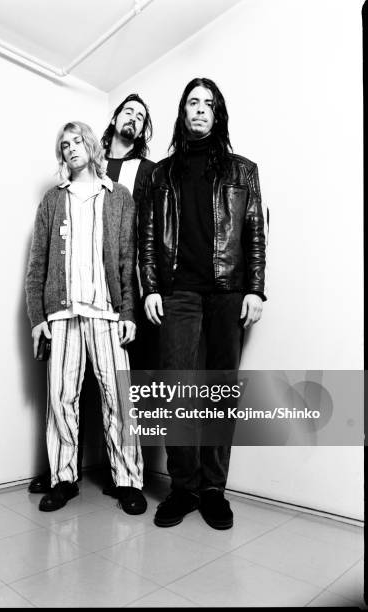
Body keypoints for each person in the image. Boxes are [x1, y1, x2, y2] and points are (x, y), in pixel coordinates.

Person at [139, 77, 267, 529]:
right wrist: (150, 286)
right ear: (182, 112)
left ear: (217, 115)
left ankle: (213, 488)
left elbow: (254, 230)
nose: (199, 110)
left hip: (228, 290)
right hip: (178, 291)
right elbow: (149, 237)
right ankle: (183, 488)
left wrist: (255, 287)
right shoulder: (161, 174)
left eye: (207, 104)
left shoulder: (242, 170)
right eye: (192, 103)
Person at [29, 94, 156, 495]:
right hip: (63, 316)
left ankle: (129, 481)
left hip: (106, 313)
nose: (71, 149)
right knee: (61, 399)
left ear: (91, 145)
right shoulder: (52, 199)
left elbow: (126, 258)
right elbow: (37, 267)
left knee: (118, 399)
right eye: (64, 145)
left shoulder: (118, 196)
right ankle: (64, 479)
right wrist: (37, 320)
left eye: (76, 141)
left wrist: (129, 313)